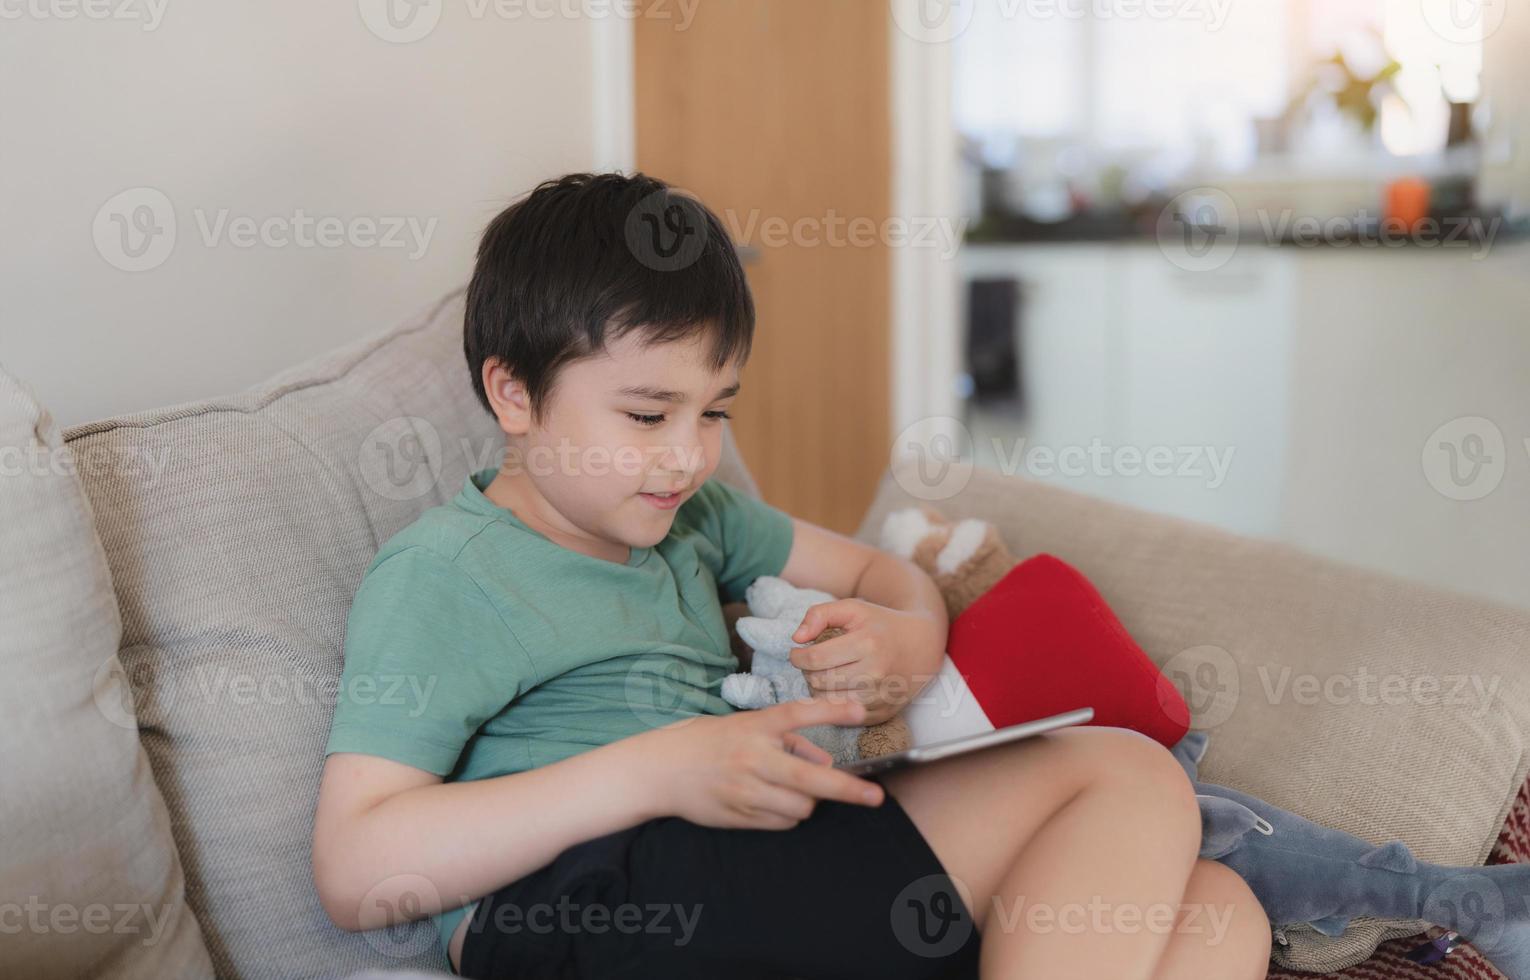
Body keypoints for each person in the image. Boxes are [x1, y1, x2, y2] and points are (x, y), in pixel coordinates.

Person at [311, 171, 1271, 980]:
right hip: (589, 904)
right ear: (513, 393)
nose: (689, 458)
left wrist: (907, 635)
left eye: (714, 412)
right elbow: (356, 867)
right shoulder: (447, 574)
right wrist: (658, 770)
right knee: (1128, 777)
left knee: (1220, 909)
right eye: (648, 416)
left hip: (746, 871)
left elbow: (879, 570)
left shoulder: (695, 519)